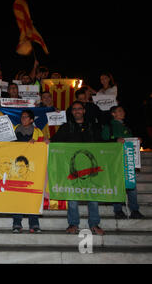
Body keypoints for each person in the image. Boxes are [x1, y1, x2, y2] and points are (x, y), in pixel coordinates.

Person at [52, 101, 105, 235]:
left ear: (84, 111)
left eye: (79, 109)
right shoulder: (65, 127)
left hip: (90, 169)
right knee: (73, 197)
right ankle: (73, 224)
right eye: (74, 109)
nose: (77, 111)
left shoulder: (93, 126)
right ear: (71, 112)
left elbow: (102, 143)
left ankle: (94, 224)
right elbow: (55, 141)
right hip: (72, 168)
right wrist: (48, 141)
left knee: (93, 196)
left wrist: (115, 142)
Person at [101, 105, 145, 219]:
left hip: (129, 160)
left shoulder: (127, 127)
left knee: (131, 185)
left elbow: (131, 142)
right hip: (115, 160)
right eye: (119, 111)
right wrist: (115, 140)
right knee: (117, 184)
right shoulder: (108, 126)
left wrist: (137, 140)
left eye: (123, 110)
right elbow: (103, 141)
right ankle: (118, 209)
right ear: (113, 114)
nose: (123, 112)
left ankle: (134, 210)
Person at [11, 109, 48, 234]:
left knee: (33, 196)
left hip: (33, 169)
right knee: (17, 196)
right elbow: (5, 142)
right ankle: (17, 223)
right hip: (16, 168)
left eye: (26, 117)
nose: (23, 119)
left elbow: (44, 147)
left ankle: (34, 223)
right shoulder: (15, 128)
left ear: (32, 120)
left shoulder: (38, 132)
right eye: (22, 117)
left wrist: (40, 143)